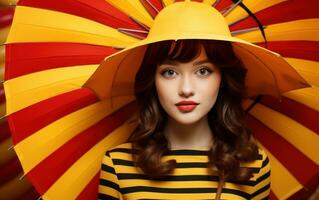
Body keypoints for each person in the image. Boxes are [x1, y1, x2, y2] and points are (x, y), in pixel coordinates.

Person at [97, 38, 271, 199]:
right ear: (153, 80)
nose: (186, 89)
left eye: (203, 71)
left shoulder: (254, 166)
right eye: (169, 72)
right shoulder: (118, 165)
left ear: (223, 79)